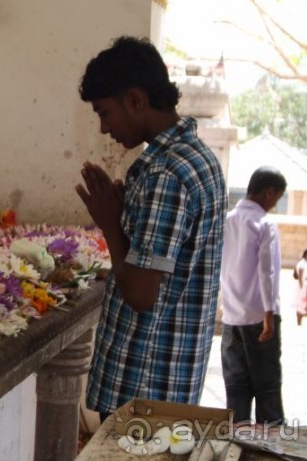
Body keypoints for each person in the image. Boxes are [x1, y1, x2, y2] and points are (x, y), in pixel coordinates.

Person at [74, 36, 227, 422]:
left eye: (105, 113)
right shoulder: (196, 157)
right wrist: (128, 220)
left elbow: (141, 294)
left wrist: (111, 225)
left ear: (136, 101)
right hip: (169, 379)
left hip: (145, 385)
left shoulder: (166, 174)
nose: (104, 128)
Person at [220, 166, 287, 425]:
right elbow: (266, 271)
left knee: (236, 388)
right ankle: (271, 450)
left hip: (232, 318)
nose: (274, 205)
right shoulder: (264, 223)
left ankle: (238, 446)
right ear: (269, 193)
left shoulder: (227, 220)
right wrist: (269, 315)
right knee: (268, 387)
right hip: (260, 318)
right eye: (277, 198)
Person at [295, 249, 307, 326]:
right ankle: (299, 316)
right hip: (304, 287)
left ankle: (300, 316)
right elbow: (300, 277)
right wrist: (303, 289)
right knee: (302, 305)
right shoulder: (302, 264)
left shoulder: (304, 263)